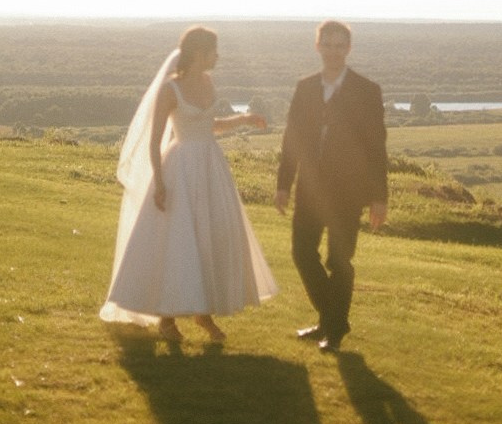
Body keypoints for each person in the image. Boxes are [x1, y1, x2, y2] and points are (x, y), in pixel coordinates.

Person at [100, 25, 277, 342]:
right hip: (179, 167)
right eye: (214, 51)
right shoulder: (171, 89)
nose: (218, 57)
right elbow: (154, 141)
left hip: (210, 166)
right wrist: (160, 181)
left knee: (211, 235)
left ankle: (202, 313)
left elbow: (211, 126)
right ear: (200, 52)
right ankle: (167, 319)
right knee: (179, 239)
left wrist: (246, 118)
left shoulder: (208, 82)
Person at [275, 20, 387, 352]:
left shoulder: (367, 90)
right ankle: (334, 319)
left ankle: (333, 331)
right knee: (301, 253)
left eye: (341, 46)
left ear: (348, 49)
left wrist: (379, 197)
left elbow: (376, 147)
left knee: (339, 260)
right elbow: (291, 139)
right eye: (329, 45)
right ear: (318, 46)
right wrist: (284, 185)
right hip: (310, 189)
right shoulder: (305, 87)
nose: (334, 52)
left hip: (348, 191)